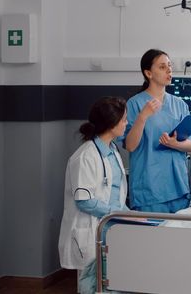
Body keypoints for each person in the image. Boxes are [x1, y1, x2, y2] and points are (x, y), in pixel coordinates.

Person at [58, 96, 128, 270]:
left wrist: (130, 214)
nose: (127, 123)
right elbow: (84, 201)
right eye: (124, 120)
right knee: (90, 284)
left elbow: (115, 192)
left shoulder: (112, 150)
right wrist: (117, 213)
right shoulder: (85, 156)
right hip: (91, 230)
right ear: (112, 124)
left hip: (110, 226)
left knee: (111, 280)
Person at [124, 49, 191, 213]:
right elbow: (130, 146)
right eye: (162, 67)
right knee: (152, 237)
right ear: (148, 73)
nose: (169, 70)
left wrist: (174, 144)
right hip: (149, 189)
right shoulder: (135, 104)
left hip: (178, 186)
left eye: (170, 66)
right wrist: (143, 117)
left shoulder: (180, 105)